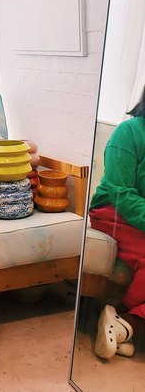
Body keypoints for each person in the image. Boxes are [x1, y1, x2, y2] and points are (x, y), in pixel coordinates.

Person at [89, 86, 145, 360]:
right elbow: (121, 194)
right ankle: (127, 320)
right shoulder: (130, 132)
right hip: (112, 211)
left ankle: (122, 322)